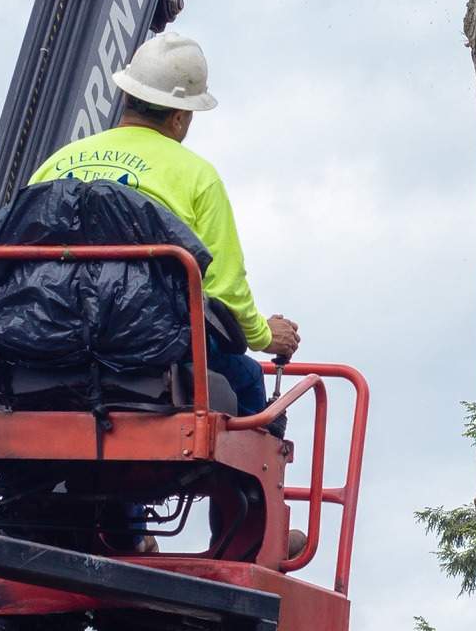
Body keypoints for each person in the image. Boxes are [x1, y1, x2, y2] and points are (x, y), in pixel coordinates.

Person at [29, 31, 299, 420]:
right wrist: (263, 335)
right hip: (152, 353)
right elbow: (224, 290)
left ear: (125, 96)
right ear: (179, 116)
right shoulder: (196, 176)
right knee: (247, 380)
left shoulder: (56, 164)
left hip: (47, 345)